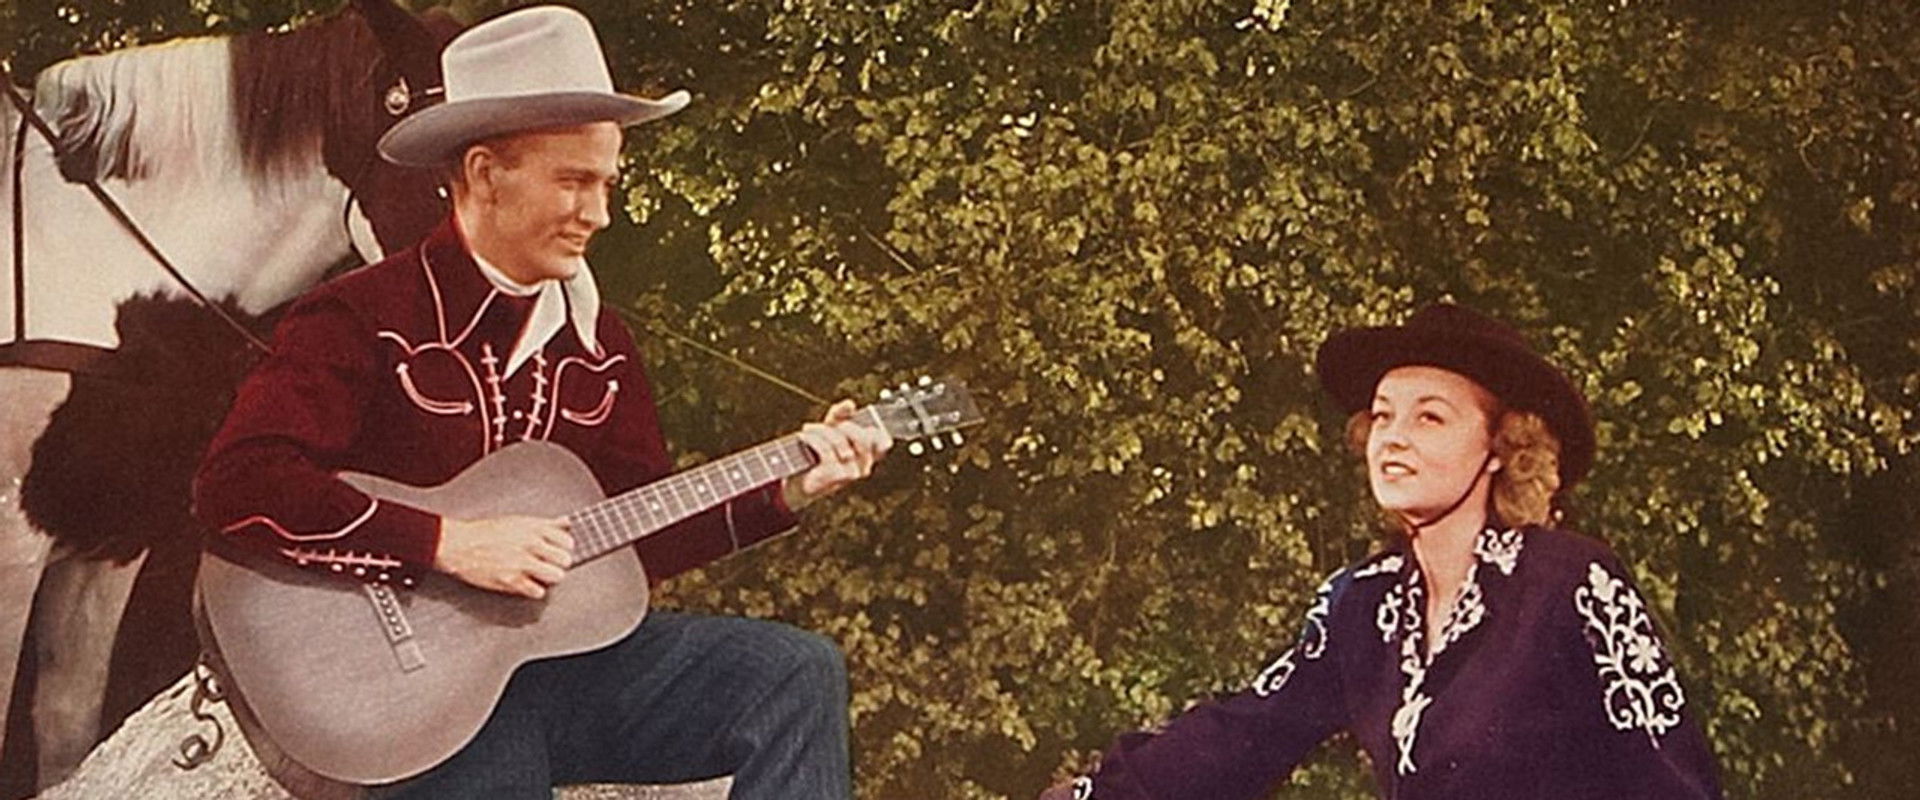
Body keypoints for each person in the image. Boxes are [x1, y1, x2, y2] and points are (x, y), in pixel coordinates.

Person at [190, 7, 889, 798]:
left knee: (798, 672)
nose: (600, 213)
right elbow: (237, 485)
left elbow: (638, 537)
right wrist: (444, 542)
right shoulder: (362, 316)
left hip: (560, 674)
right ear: (486, 173)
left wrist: (791, 485)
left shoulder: (601, 345)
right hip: (409, 705)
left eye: (607, 183)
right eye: (575, 181)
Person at [1039, 304, 1723, 799]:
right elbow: (1244, 732)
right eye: (1383, 414)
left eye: (1430, 416)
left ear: (1500, 450)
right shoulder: (1362, 604)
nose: (1392, 437)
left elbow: (1672, 781)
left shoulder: (1570, 583)